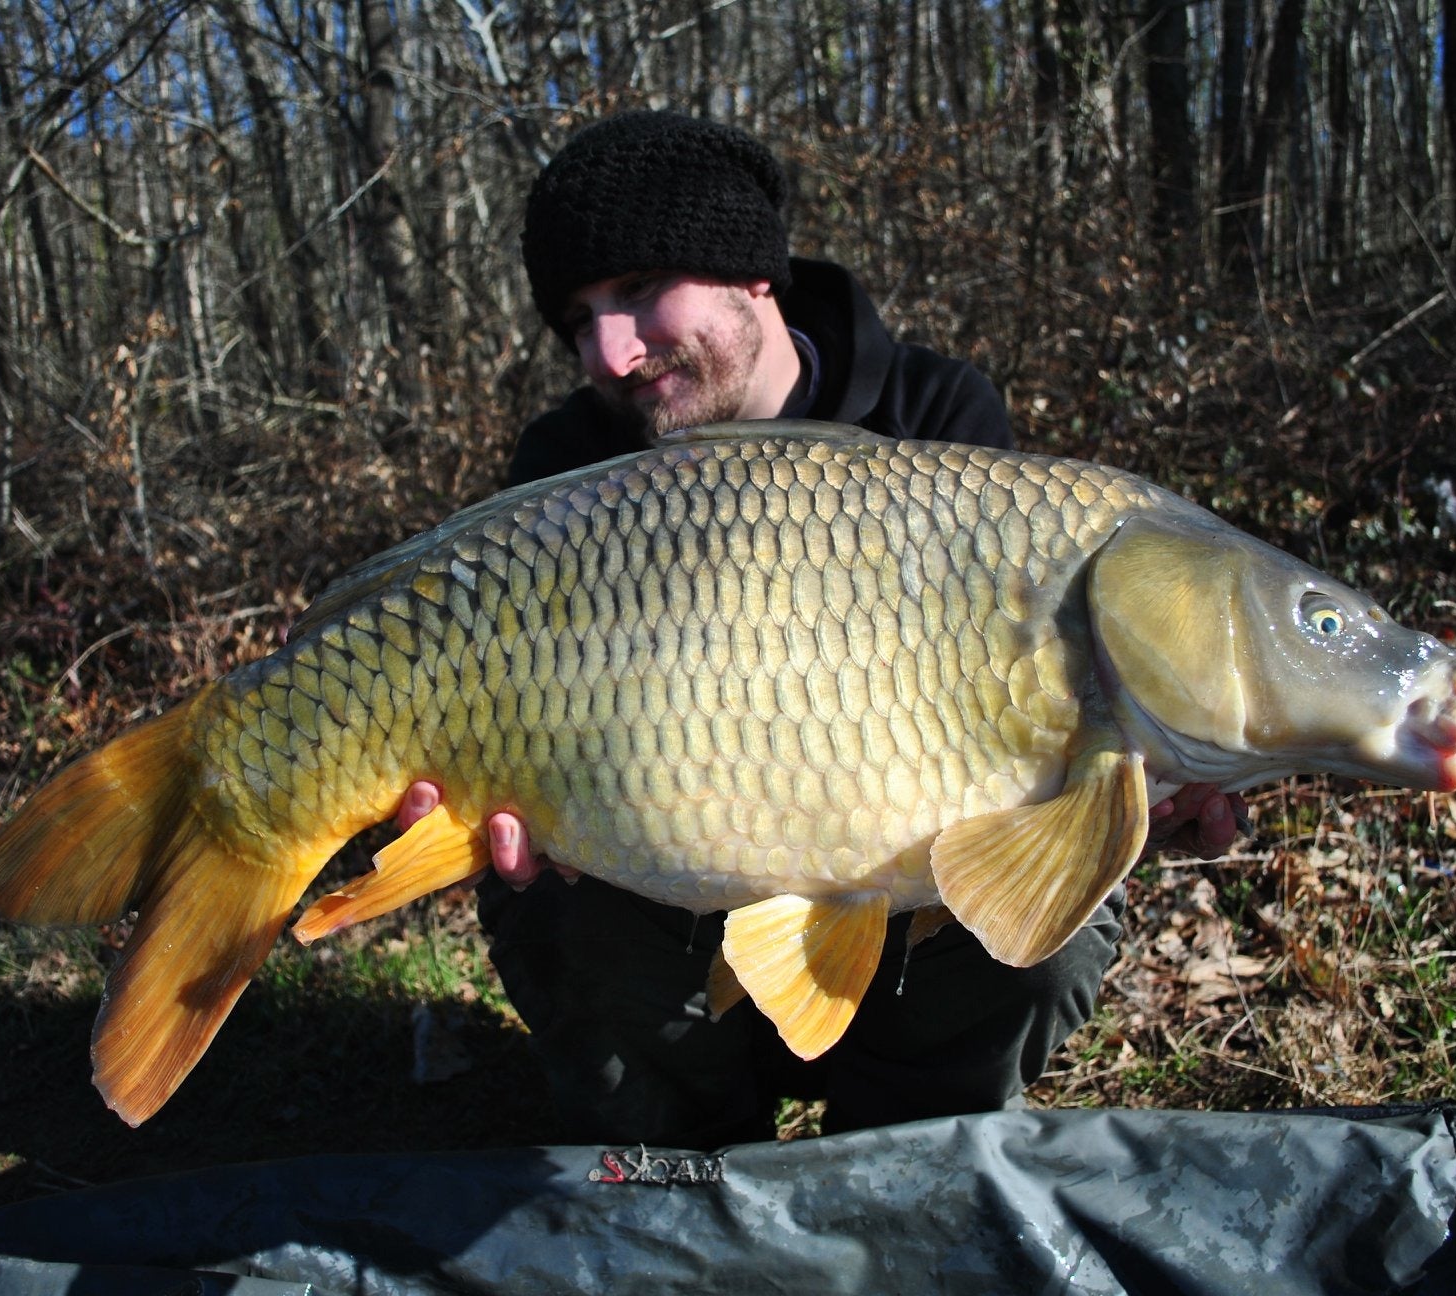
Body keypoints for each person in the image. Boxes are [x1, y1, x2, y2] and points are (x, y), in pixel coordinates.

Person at [399, 111, 1240, 1147]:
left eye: (636, 291)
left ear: (752, 274)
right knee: (548, 899)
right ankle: (684, 1160)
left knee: (1052, 936)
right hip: (657, 907)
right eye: (577, 320)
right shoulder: (570, 464)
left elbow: (1032, 728)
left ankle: (902, 1158)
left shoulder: (940, 415)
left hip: (900, 928)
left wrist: (1137, 772)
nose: (609, 352)